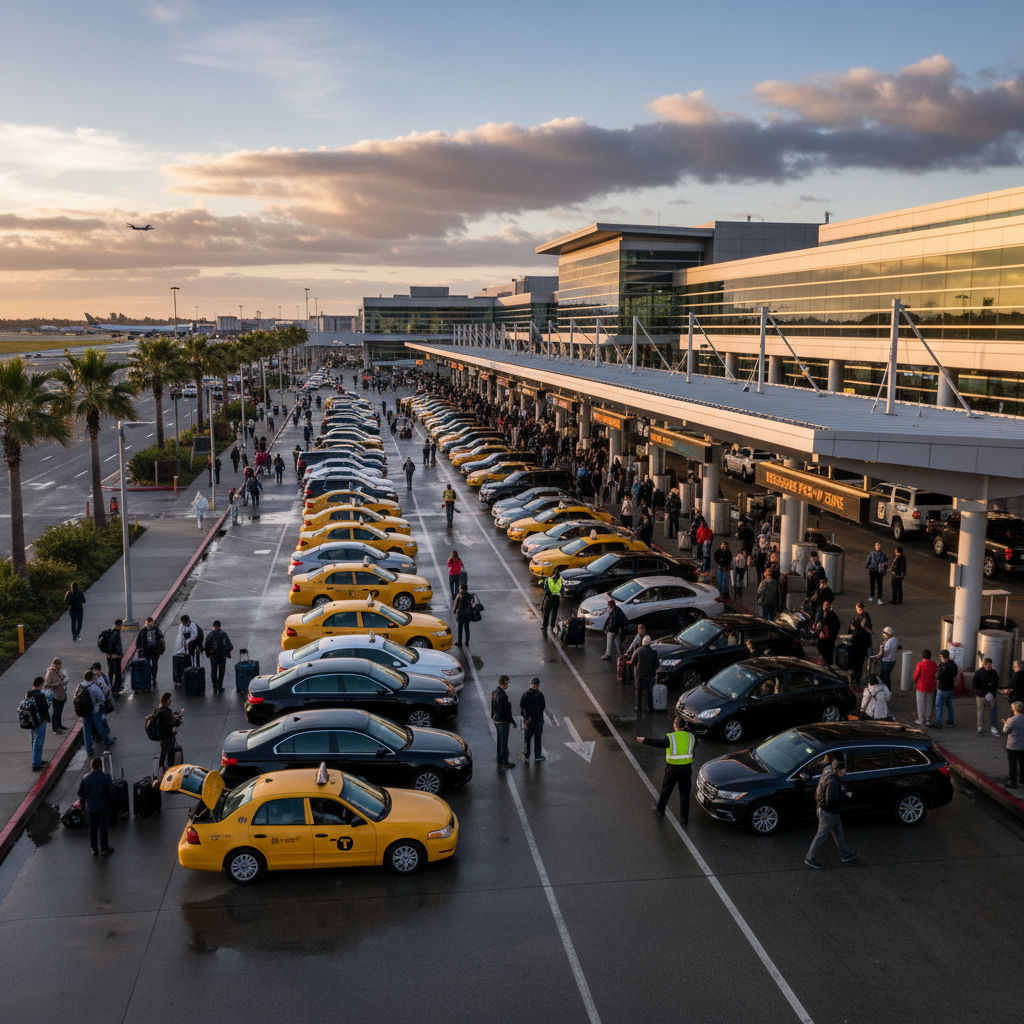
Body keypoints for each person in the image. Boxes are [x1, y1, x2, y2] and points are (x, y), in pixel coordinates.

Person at [638, 716, 695, 822]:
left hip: (673, 768)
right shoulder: (691, 737)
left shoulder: (671, 737)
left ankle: (660, 809)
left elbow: (658, 742)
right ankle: (684, 817)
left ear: (675, 725)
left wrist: (644, 740)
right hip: (687, 768)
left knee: (667, 789)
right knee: (685, 792)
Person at [804, 760, 857, 868]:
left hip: (828, 810)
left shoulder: (828, 772)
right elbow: (831, 799)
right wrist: (846, 795)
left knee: (838, 832)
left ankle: (846, 854)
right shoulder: (833, 782)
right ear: (838, 770)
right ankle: (810, 858)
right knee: (821, 835)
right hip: (828, 812)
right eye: (843, 771)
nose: (844, 773)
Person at [78, 756, 115, 856]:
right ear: (101, 766)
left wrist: (88, 797)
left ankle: (94, 848)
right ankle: (104, 848)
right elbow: (111, 792)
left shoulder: (85, 778)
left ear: (91, 766)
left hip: (90, 807)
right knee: (103, 827)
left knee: (92, 828)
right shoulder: (106, 777)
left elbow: (80, 793)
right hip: (103, 806)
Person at [79, 670, 114, 758]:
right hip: (94, 710)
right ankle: (107, 741)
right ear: (91, 677)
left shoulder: (81, 686)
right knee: (99, 726)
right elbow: (102, 698)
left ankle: (89, 749)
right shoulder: (93, 687)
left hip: (85, 711)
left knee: (86, 730)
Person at [491, 675, 517, 769]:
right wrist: (511, 720)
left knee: (500, 741)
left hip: (496, 720)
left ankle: (499, 758)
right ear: (505, 683)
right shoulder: (502, 696)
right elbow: (504, 710)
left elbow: (493, 707)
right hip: (502, 721)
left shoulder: (495, 692)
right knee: (504, 742)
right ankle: (505, 762)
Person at [25, 676, 50, 770]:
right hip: (40, 720)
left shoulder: (28, 693)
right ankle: (36, 762)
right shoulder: (40, 694)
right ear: (40, 685)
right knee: (39, 740)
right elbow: (44, 708)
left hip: (31, 720)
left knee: (33, 739)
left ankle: (37, 758)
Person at [973, 656, 1001, 736]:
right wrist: (982, 693)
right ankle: (980, 726)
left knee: (993, 711)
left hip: (991, 695)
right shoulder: (979, 673)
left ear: (991, 664)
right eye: (986, 664)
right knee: (980, 711)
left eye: (989, 664)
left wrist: (992, 692)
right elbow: (975, 685)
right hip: (981, 696)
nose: (988, 666)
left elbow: (996, 683)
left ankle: (993, 726)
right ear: (983, 664)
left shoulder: (994, 673)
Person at [631, 635, 659, 714]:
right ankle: (649, 707)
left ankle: (639, 708)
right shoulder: (654, 652)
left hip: (640, 675)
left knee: (639, 692)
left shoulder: (638, 651)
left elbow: (633, 661)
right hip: (650, 675)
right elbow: (657, 664)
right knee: (649, 692)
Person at [520, 677, 546, 762]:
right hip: (538, 721)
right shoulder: (540, 695)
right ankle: (537, 755)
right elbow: (542, 707)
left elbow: (522, 708)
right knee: (537, 739)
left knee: (527, 739)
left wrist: (526, 719)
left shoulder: (525, 695)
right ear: (537, 685)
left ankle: (526, 755)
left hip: (529, 722)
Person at [204, 620, 233, 692]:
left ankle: (214, 685)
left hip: (213, 656)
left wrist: (208, 654)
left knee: (213, 670)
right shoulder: (223, 634)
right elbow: (229, 645)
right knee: (221, 671)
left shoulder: (210, 634)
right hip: (222, 656)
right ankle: (220, 686)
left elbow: (206, 646)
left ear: (213, 626)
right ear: (220, 626)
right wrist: (227, 652)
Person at [847, 603, 873, 682]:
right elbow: (852, 623)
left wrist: (855, 629)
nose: (857, 611)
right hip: (857, 643)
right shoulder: (858, 617)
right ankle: (855, 677)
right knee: (855, 662)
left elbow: (865, 629)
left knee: (859, 663)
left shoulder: (865, 618)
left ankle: (857, 678)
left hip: (861, 644)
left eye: (858, 609)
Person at [934, 649, 958, 728]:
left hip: (942, 688)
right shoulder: (953, 664)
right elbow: (955, 673)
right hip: (950, 687)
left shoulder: (943, 666)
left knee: (939, 706)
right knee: (949, 705)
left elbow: (938, 676)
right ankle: (951, 721)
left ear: (943, 657)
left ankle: (938, 723)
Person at [913, 649, 937, 726]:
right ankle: (928, 719)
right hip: (930, 686)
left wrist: (915, 681)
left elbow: (915, 676)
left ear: (922, 656)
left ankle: (921, 719)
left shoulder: (919, 664)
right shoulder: (934, 664)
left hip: (921, 686)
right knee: (929, 703)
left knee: (920, 703)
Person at [44, 657, 69, 734]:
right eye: (57, 667)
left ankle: (59, 725)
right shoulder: (50, 673)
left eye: (60, 667)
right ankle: (55, 728)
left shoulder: (57, 672)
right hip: (55, 695)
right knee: (56, 712)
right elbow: (47, 685)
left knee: (60, 711)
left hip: (61, 694)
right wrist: (58, 683)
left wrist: (62, 678)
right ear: (54, 665)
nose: (59, 669)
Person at [1003, 702, 1024, 789]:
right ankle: (1022, 780)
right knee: (1022, 764)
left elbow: (1005, 731)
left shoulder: (1011, 720)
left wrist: (1006, 723)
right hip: (1022, 745)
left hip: (1012, 746)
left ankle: (1013, 782)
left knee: (1012, 765)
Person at [138, 615, 164, 684]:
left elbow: (161, 637)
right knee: (147, 664)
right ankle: (149, 675)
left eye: (150, 624)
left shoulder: (156, 630)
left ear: (153, 623)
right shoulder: (143, 631)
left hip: (154, 650)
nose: (148, 625)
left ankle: (154, 676)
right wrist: (141, 649)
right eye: (147, 624)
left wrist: (160, 646)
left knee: (155, 664)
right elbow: (139, 640)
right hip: (146, 650)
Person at [101, 619, 124, 693]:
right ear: (119, 625)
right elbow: (112, 644)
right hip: (115, 656)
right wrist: (115, 654)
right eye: (121, 626)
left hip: (110, 656)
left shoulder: (110, 631)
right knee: (117, 672)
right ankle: (116, 688)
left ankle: (110, 685)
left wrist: (108, 653)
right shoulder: (116, 633)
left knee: (111, 671)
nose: (121, 627)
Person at [601, 596, 626, 660]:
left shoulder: (614, 611)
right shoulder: (617, 609)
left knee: (609, 641)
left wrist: (607, 629)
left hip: (613, 630)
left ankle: (608, 654)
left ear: (610, 605)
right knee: (617, 642)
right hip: (618, 629)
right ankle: (620, 655)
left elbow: (612, 621)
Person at [816, 600, 840, 666]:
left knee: (828, 649)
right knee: (821, 645)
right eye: (824, 605)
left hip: (829, 635)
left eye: (826, 605)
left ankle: (827, 662)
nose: (824, 607)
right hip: (824, 635)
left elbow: (836, 625)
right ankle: (825, 660)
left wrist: (834, 634)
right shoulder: (822, 613)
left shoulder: (831, 615)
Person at [864, 542, 889, 606]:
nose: (877, 546)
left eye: (878, 545)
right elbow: (886, 563)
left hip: (874, 570)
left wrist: (866, 566)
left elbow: (868, 560)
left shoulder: (872, 553)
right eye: (876, 545)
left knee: (874, 584)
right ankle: (878, 598)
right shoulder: (882, 554)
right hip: (879, 571)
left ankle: (874, 596)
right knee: (878, 585)